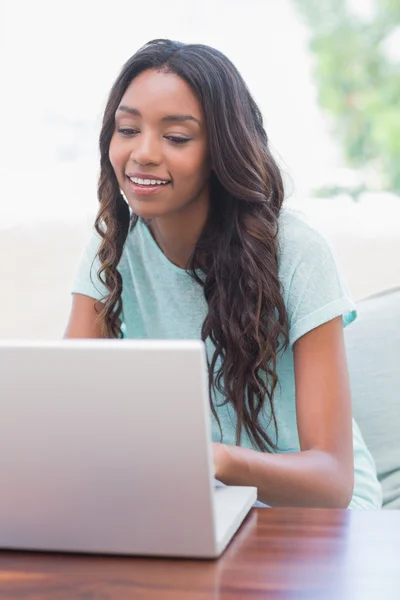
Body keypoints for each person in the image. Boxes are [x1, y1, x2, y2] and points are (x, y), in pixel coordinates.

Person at [65, 39, 382, 509]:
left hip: (316, 519)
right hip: (195, 501)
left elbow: (333, 480)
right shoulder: (113, 247)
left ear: (223, 151)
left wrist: (216, 462)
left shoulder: (295, 251)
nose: (143, 153)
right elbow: (64, 405)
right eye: (127, 129)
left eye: (176, 137)